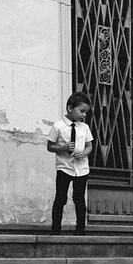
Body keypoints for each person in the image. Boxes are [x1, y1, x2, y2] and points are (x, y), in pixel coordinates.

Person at [47, 92, 94, 235]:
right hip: (64, 167)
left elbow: (89, 146)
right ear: (70, 108)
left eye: (85, 112)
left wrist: (84, 153)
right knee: (61, 197)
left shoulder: (84, 128)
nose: (84, 115)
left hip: (82, 168)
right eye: (82, 111)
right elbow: (50, 146)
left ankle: (80, 230)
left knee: (79, 198)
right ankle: (56, 229)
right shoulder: (58, 126)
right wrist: (63, 148)